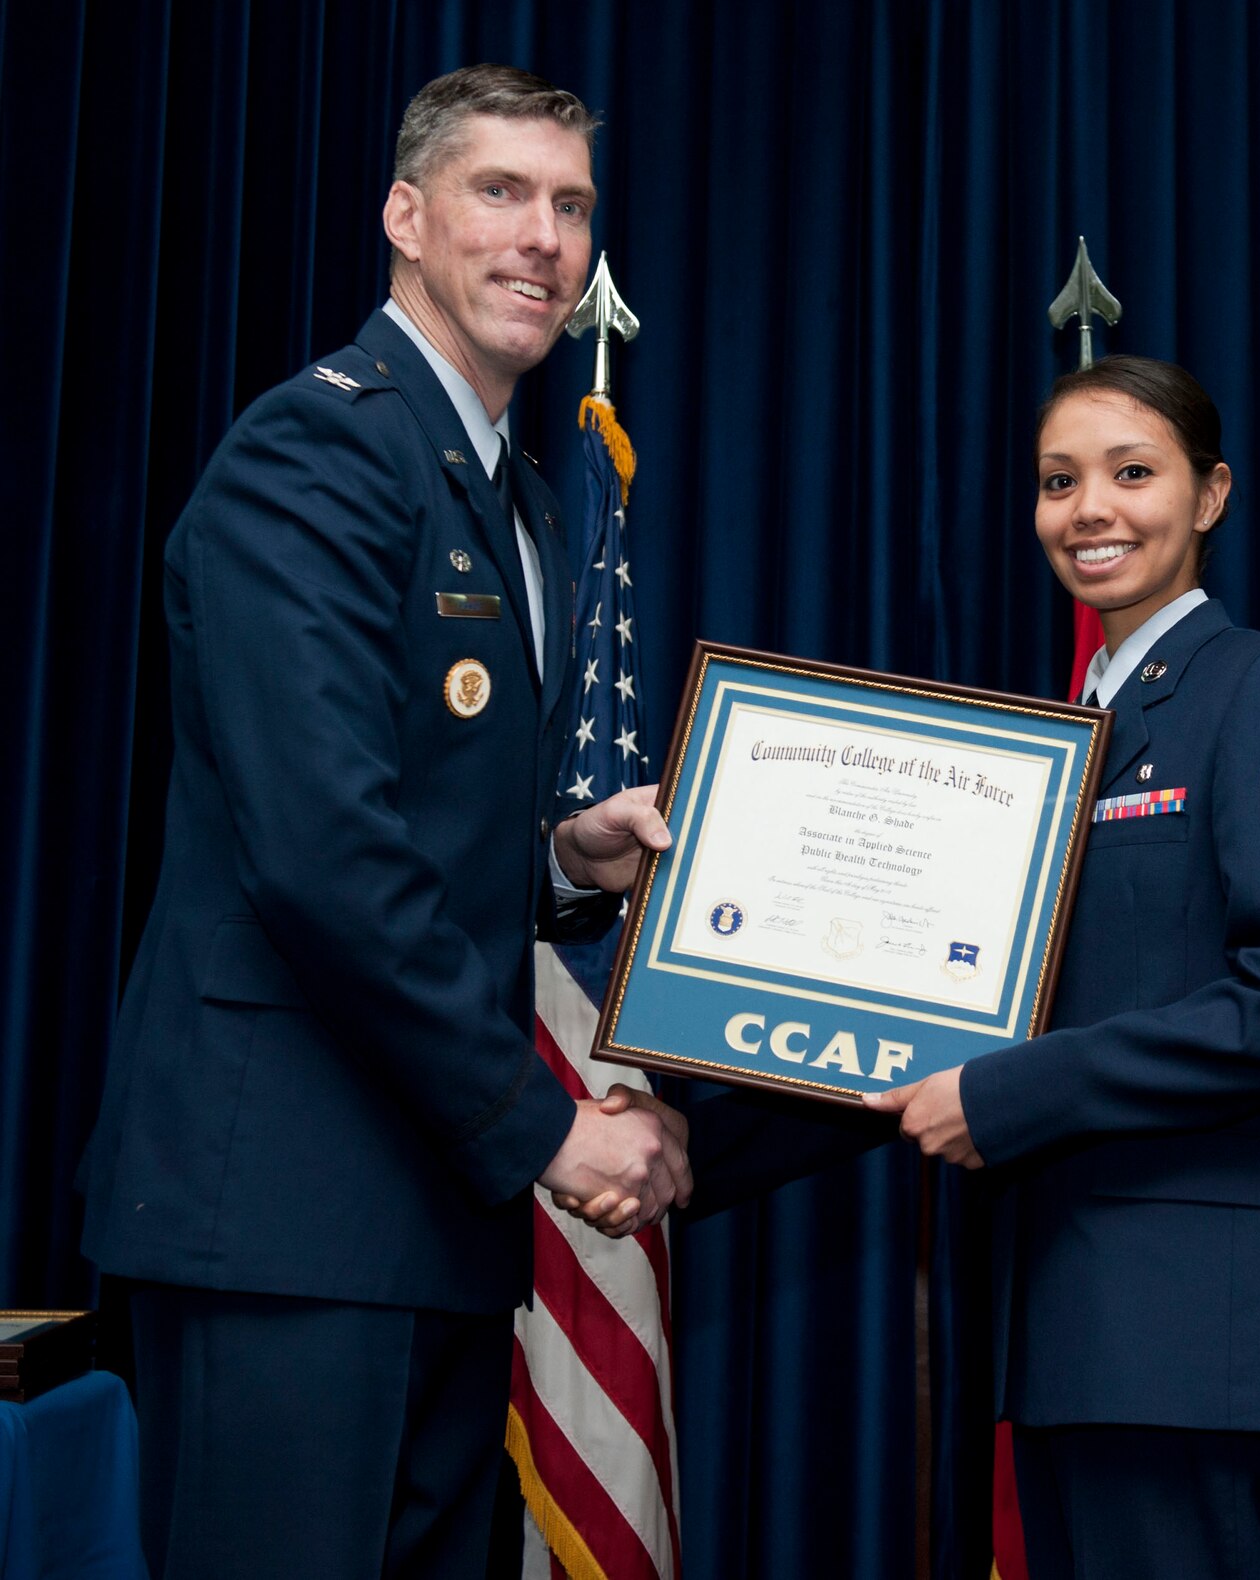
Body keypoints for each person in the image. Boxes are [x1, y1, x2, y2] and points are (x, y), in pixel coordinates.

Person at [81, 65, 689, 1578]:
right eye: (500, 193)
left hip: (425, 1219)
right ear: (405, 217)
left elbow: (423, 813)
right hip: (284, 1212)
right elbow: (324, 853)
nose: (543, 239)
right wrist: (549, 1126)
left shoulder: (519, 499)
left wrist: (564, 858)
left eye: (571, 206)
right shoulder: (315, 455)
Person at [869, 355, 1260, 1580]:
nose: (1089, 508)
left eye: (1130, 472)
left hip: (1193, 1352)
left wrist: (1008, 1094)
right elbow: (947, 1007)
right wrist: (687, 1144)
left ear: (1209, 496)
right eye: (1059, 480)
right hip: (1064, 1334)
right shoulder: (1046, 742)